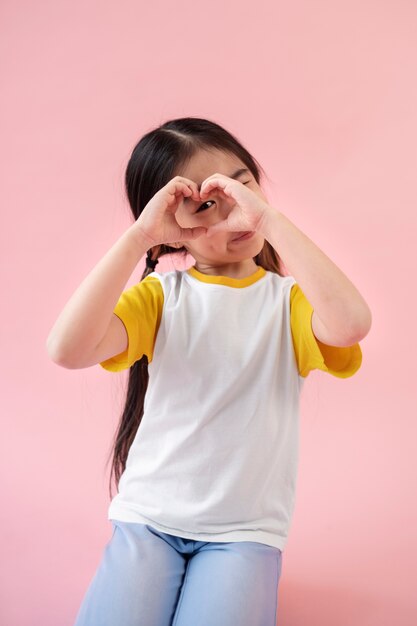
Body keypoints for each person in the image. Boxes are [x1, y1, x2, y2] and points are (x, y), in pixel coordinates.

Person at [47, 116, 372, 626]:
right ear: (173, 229)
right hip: (149, 522)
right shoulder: (161, 298)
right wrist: (139, 238)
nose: (232, 216)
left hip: (244, 533)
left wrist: (269, 222)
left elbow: (351, 324)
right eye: (205, 207)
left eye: (242, 187)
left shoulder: (289, 303)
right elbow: (66, 349)